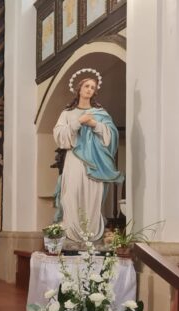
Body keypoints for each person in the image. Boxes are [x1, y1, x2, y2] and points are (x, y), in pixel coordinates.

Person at [52, 68, 124, 243]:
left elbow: (111, 136)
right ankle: (71, 232)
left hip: (95, 161)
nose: (89, 89)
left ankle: (90, 234)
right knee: (71, 193)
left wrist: (94, 124)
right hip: (75, 159)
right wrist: (78, 122)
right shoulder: (67, 113)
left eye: (93, 87)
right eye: (87, 86)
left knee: (92, 195)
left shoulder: (100, 113)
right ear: (79, 89)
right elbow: (59, 135)